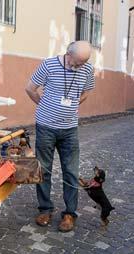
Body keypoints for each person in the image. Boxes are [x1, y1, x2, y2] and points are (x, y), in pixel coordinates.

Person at [25, 41, 95, 232]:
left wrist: (74, 104)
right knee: (44, 170)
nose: (79, 67)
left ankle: (70, 213)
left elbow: (88, 89)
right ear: (68, 54)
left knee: (71, 172)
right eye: (77, 62)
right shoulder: (49, 65)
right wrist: (43, 105)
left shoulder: (87, 68)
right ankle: (45, 209)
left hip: (70, 129)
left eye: (83, 63)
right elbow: (30, 88)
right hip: (45, 127)